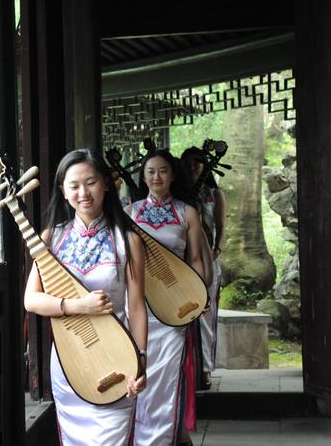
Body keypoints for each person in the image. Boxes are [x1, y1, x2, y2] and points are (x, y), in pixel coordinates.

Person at [24, 149, 148, 446]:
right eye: (74, 185)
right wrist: (77, 306)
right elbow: (31, 300)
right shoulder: (51, 239)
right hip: (70, 361)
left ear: (106, 183)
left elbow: (138, 306)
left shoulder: (128, 241)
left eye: (90, 182)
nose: (83, 192)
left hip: (117, 357)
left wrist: (141, 360)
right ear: (63, 192)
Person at [126, 149, 205, 446]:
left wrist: (196, 295)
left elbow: (195, 259)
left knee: (167, 376)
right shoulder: (130, 213)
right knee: (135, 373)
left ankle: (161, 440)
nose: (156, 177)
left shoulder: (188, 212)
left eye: (162, 171)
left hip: (175, 306)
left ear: (172, 175)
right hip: (137, 305)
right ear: (143, 177)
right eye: (150, 172)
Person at [181, 146, 226, 389]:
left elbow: (220, 224)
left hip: (208, 258)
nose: (192, 168)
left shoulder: (212, 193)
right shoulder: (177, 195)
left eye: (197, 164)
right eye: (188, 164)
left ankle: (205, 369)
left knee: (206, 315)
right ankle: (185, 368)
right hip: (181, 261)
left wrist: (216, 249)